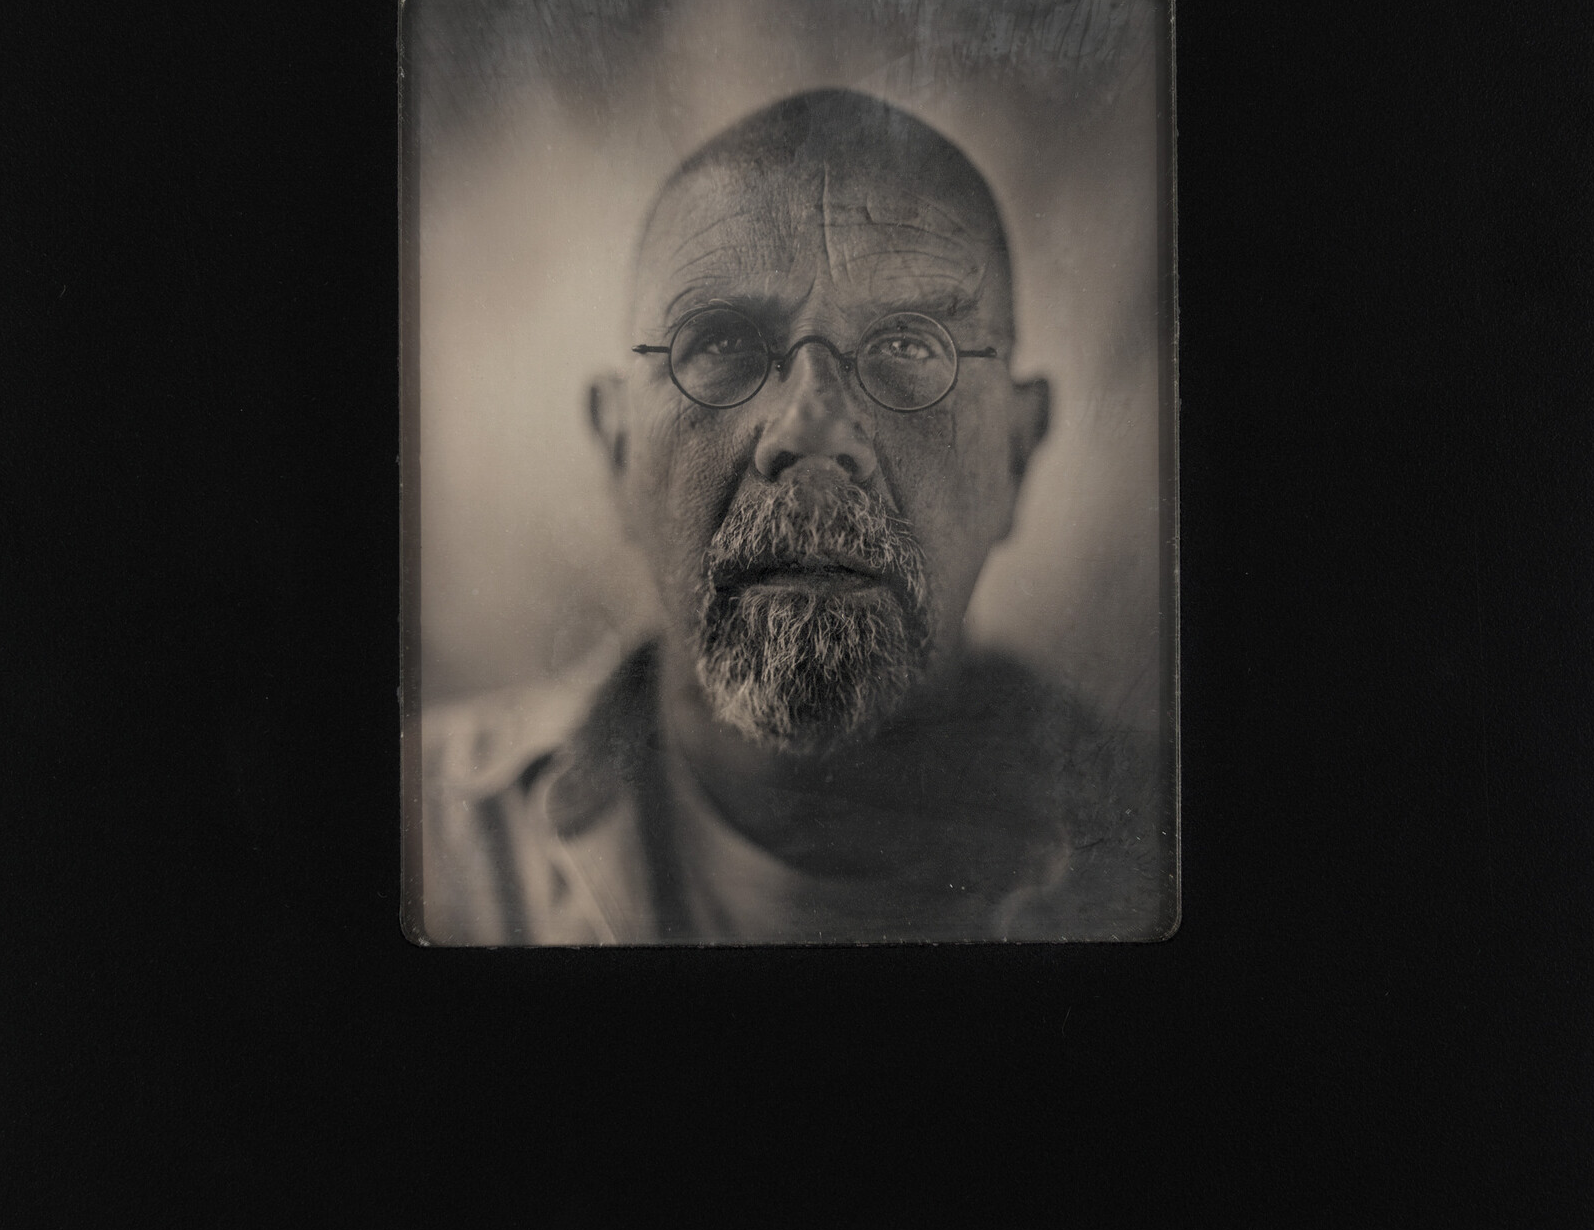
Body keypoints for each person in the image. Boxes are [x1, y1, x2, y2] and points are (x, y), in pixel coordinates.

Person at [415, 88, 1173, 944]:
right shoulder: (422, 837)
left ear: (1016, 453)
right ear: (618, 449)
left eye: (908, 345)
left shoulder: (1167, 847)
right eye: (721, 344)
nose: (811, 430)